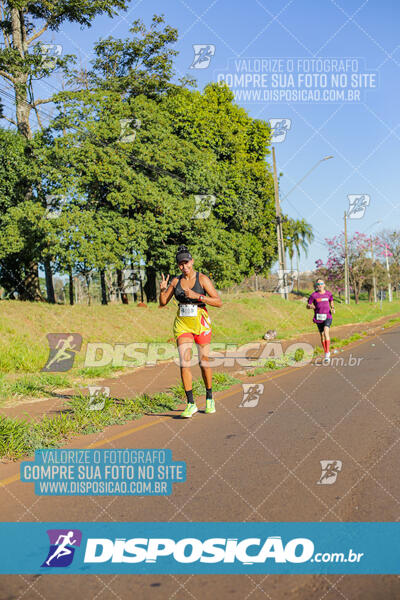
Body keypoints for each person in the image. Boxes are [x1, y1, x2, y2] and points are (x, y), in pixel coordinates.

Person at [159, 245, 222, 418]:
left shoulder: (202, 279)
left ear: (192, 262)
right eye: (181, 264)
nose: (184, 266)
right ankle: (190, 403)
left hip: (200, 322)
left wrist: (198, 296)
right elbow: (163, 302)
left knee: (204, 361)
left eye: (186, 262)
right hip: (183, 324)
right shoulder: (175, 281)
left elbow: (218, 301)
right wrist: (163, 289)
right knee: (184, 362)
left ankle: (209, 398)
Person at [307, 278, 335, 364]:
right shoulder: (313, 295)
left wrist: (333, 308)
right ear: (316, 286)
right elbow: (308, 305)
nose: (320, 285)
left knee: (326, 332)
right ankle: (326, 351)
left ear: (324, 285)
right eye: (318, 284)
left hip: (328, 316)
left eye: (321, 283)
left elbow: (331, 302)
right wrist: (310, 306)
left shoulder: (328, 294)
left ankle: (327, 354)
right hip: (319, 317)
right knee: (322, 335)